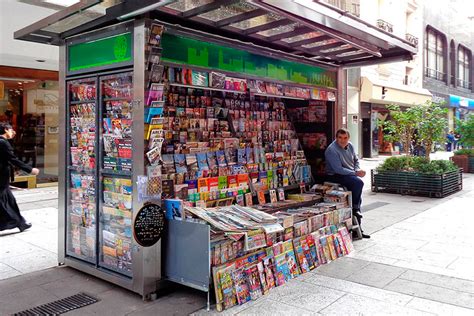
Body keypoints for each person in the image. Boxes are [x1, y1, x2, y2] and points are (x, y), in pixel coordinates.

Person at [325, 128, 370, 238]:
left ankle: (357, 224)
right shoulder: (331, 150)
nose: (342, 140)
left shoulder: (350, 146)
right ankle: (355, 209)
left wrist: (357, 170)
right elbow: (338, 169)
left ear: (348, 138)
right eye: (340, 137)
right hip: (335, 175)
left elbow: (356, 160)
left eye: (345, 138)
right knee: (358, 184)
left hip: (349, 173)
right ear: (336, 138)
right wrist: (355, 173)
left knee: (357, 193)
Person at [0, 123, 40, 233]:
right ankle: (15, 222)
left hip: (3, 178)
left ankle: (20, 223)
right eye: (11, 130)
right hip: (1, 178)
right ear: (5, 130)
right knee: (4, 201)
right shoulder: (3, 143)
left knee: (10, 200)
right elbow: (13, 159)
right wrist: (30, 170)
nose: (13, 132)